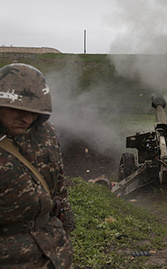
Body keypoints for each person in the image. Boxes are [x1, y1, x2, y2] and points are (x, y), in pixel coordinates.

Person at [0, 63, 74, 268]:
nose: (28, 118)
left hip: (53, 252)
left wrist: (66, 229)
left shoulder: (45, 133)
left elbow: (58, 186)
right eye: (19, 109)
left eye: (34, 111)